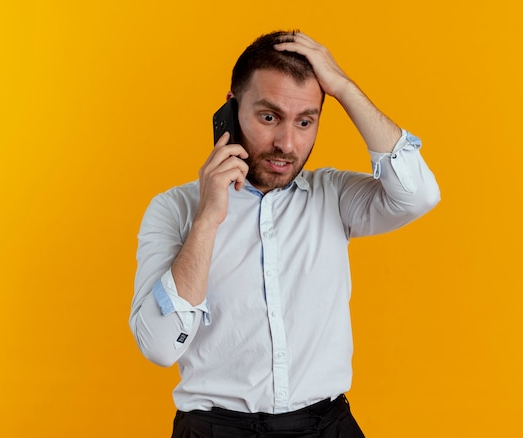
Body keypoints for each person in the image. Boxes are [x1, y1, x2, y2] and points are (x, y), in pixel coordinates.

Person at [130, 30, 440, 437]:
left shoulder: (333, 196)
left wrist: (344, 88)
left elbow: (418, 195)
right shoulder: (174, 210)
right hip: (214, 429)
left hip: (326, 426)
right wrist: (207, 219)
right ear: (231, 109)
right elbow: (159, 347)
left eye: (306, 121)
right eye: (269, 117)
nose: (287, 144)